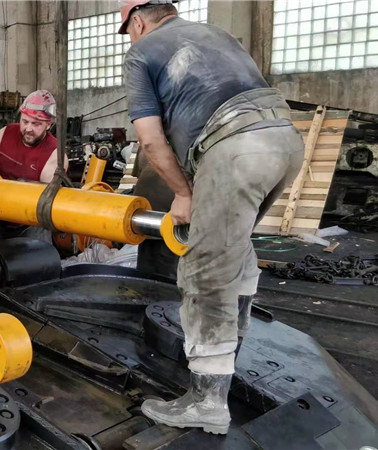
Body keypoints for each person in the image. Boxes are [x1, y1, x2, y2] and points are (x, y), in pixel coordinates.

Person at [118, 0, 304, 434]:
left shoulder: (142, 52)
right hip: (284, 140)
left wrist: (184, 193)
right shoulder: (214, 34)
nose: (130, 38)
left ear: (138, 21)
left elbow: (150, 140)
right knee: (233, 250)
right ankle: (228, 359)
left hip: (236, 149)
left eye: (128, 30)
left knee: (204, 270)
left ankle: (207, 402)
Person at [0, 90, 67, 183]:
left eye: (36, 124)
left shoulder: (55, 154)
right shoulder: (7, 132)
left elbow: (47, 190)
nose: (28, 129)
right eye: (25, 122)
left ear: (48, 125)